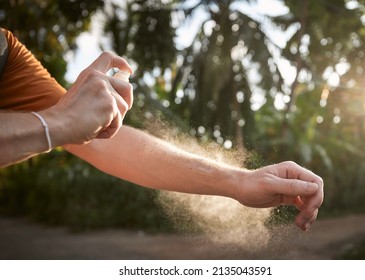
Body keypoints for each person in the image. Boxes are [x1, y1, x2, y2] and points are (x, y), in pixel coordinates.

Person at [0, 28, 323, 231]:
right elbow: (63, 124)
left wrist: (240, 180)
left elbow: (103, 142)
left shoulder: (8, 52)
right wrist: (57, 123)